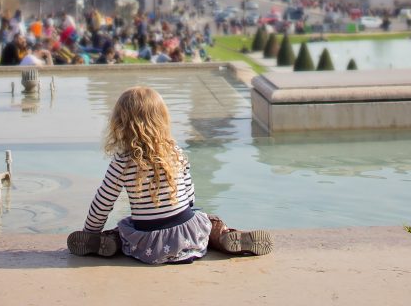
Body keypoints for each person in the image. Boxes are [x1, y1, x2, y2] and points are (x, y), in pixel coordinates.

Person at [67, 85, 272, 264]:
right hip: (187, 238)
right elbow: (190, 198)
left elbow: (103, 202)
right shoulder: (175, 152)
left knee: (125, 230)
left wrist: (90, 232)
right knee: (208, 223)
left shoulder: (123, 161)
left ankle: (106, 241)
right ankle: (226, 238)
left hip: (147, 247)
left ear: (120, 123)